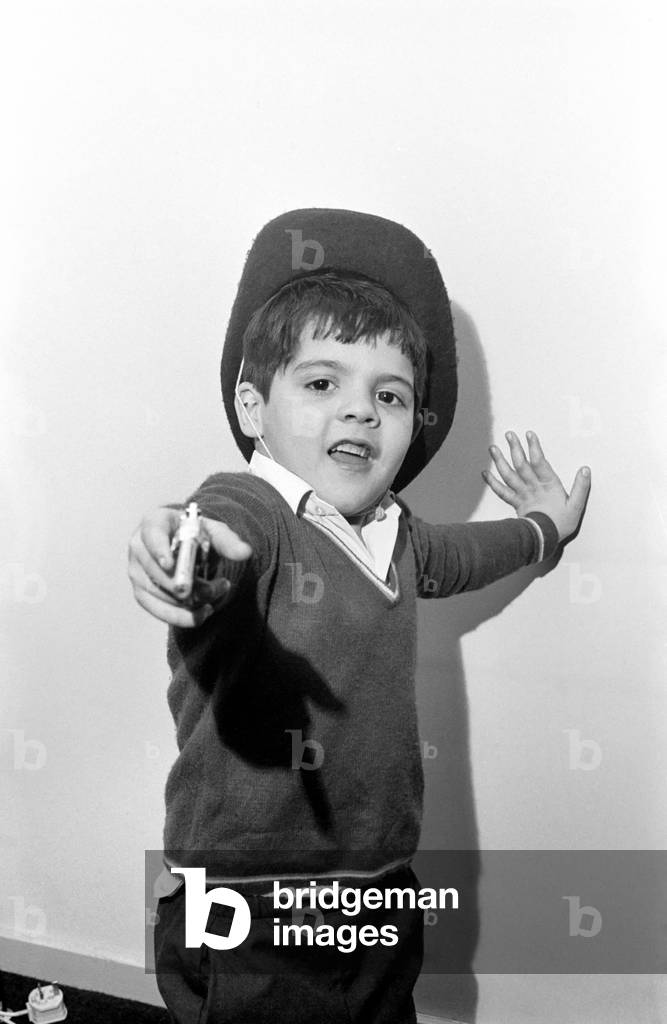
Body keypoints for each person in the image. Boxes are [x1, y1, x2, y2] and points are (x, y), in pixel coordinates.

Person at [127, 208, 591, 1024]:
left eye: (390, 395)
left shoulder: (394, 533)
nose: (360, 411)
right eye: (320, 384)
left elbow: (464, 554)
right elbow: (215, 532)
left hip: (377, 883)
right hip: (252, 902)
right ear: (251, 408)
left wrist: (543, 528)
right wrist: (186, 558)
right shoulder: (253, 510)